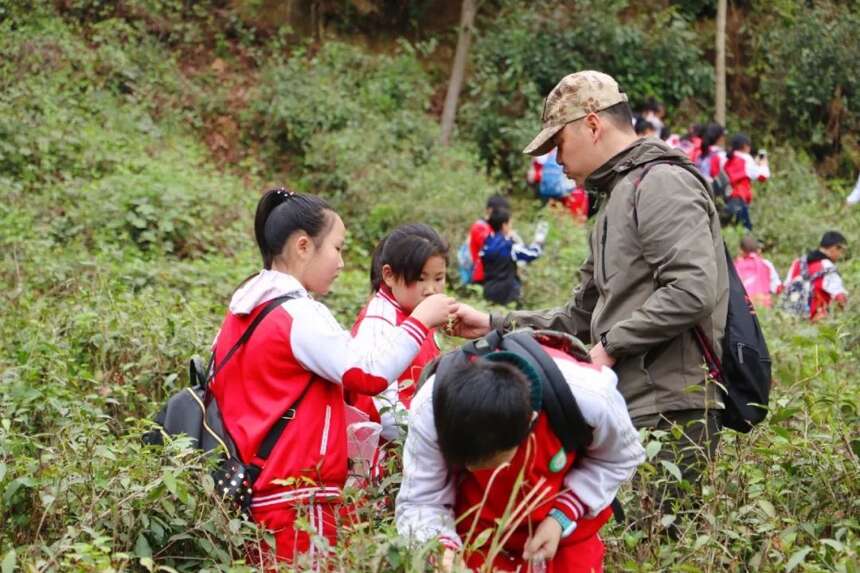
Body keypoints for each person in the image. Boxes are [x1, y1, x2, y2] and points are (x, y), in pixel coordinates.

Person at [454, 70, 729, 521]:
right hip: (628, 403)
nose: (555, 161)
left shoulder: (659, 184)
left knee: (653, 546)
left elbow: (692, 288)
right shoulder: (613, 198)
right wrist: (493, 324)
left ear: (593, 124)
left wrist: (612, 346)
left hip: (670, 411)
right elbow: (580, 316)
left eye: (558, 144)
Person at [209, 189, 459, 564]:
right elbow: (367, 373)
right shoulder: (297, 314)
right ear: (303, 246)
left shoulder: (243, 308)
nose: (342, 262)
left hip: (254, 490)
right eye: (338, 248)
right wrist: (421, 320)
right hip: (294, 496)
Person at [395, 343, 645, 572]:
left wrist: (562, 516)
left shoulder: (590, 397)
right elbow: (421, 501)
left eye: (491, 463)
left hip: (566, 536)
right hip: (476, 537)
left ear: (529, 423)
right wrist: (440, 549)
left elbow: (618, 459)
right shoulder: (430, 408)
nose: (472, 469)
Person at [347, 224, 448, 442]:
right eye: (420, 278)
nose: (431, 289)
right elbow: (380, 410)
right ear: (389, 275)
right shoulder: (378, 323)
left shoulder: (418, 311)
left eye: (438, 278)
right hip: (391, 459)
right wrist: (436, 441)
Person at [480, 207, 544, 305]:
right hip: (508, 293)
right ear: (504, 225)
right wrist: (539, 241)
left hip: (489, 291)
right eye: (510, 223)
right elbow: (533, 253)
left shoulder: (486, 244)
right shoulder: (510, 246)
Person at [784, 231, 848, 320]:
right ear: (834, 248)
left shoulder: (797, 262)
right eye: (841, 251)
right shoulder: (827, 266)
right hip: (817, 321)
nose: (840, 255)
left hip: (793, 318)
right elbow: (840, 297)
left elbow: (786, 287)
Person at [722, 133, 770, 231]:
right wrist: (764, 164)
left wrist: (755, 163)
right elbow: (763, 177)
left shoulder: (728, 158)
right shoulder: (746, 159)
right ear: (745, 146)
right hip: (739, 200)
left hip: (727, 200)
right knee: (746, 232)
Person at [468, 194, 511, 284]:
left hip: (492, 274)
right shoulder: (480, 227)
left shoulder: (490, 227)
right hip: (481, 275)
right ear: (490, 210)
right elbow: (492, 247)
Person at [734, 235, 781, 308]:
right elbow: (777, 288)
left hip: (744, 309)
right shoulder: (766, 264)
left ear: (741, 250)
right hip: (765, 309)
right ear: (757, 250)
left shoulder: (736, 266)